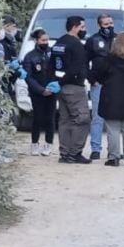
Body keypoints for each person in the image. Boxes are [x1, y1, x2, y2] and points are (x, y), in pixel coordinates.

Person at [94, 32, 124, 167]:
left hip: (111, 97)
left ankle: (114, 157)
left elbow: (100, 76)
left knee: (113, 128)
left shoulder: (109, 59)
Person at [50, 16, 92, 163]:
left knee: (65, 120)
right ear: (74, 27)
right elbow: (76, 68)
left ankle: (65, 153)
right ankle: (75, 153)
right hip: (73, 86)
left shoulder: (58, 42)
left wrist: (56, 82)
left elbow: (51, 65)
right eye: (82, 27)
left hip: (60, 88)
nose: (84, 30)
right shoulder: (76, 45)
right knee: (82, 119)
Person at [22, 29, 57, 156]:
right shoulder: (30, 56)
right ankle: (34, 143)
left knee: (50, 118)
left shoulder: (52, 53)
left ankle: (48, 144)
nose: (46, 42)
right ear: (37, 41)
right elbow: (28, 76)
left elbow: (58, 71)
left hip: (52, 91)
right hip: (37, 92)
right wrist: (41, 90)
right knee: (37, 117)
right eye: (43, 40)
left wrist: (53, 87)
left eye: (47, 40)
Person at [86, 13, 116, 160]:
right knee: (97, 117)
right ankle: (95, 149)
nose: (109, 27)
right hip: (98, 84)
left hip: (115, 84)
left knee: (114, 119)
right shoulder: (93, 40)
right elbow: (84, 62)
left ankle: (114, 149)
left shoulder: (119, 40)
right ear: (99, 25)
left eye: (111, 24)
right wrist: (92, 79)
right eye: (106, 24)